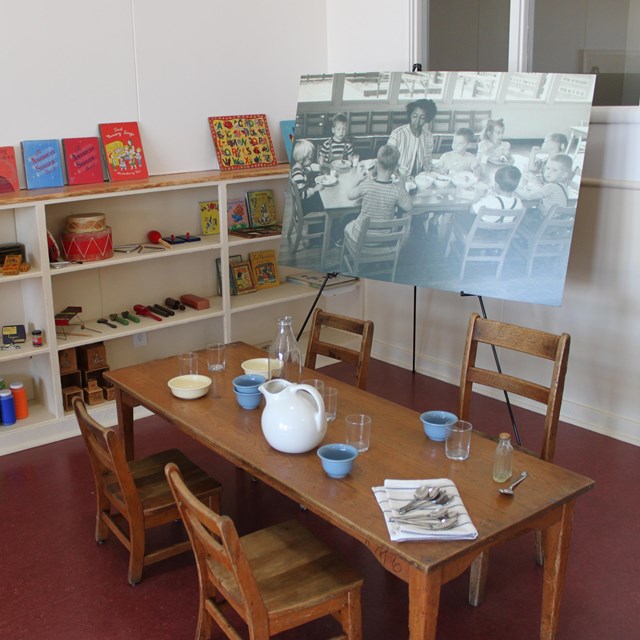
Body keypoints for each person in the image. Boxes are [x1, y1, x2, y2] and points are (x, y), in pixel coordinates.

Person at [343, 144, 412, 245]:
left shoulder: (366, 184)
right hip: (383, 238)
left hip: (362, 237)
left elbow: (349, 194)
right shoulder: (397, 190)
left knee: (348, 226)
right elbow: (409, 207)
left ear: (377, 164)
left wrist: (358, 179)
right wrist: (402, 183)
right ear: (395, 167)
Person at [387, 98, 438, 176]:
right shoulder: (397, 134)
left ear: (427, 119)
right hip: (398, 177)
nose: (417, 121)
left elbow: (427, 160)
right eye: (415, 116)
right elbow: (387, 159)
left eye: (422, 118)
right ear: (410, 115)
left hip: (418, 178)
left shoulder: (428, 137)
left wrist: (427, 166)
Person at [290, 139, 324, 214]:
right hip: (304, 207)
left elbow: (304, 180)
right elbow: (301, 195)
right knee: (326, 203)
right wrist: (315, 189)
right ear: (302, 159)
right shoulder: (298, 174)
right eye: (310, 158)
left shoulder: (299, 169)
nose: (312, 160)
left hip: (304, 204)